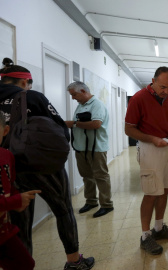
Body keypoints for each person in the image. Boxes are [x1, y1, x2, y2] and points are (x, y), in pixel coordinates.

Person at [0, 58, 94, 269]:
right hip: (43, 166)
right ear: (24, 82)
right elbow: (59, 128)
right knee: (63, 211)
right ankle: (74, 261)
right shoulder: (31, 97)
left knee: (20, 223)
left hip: (8, 171)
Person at [125, 66, 168, 255]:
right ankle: (145, 236)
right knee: (151, 192)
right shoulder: (138, 98)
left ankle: (159, 228)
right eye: (163, 87)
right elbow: (129, 129)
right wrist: (153, 139)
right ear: (153, 80)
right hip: (150, 148)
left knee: (164, 189)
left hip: (167, 146)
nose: (166, 92)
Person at [65, 81, 113, 218]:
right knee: (87, 176)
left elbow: (96, 124)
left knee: (101, 176)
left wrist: (73, 124)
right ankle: (91, 201)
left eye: (74, 94)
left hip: (96, 148)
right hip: (81, 147)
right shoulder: (80, 106)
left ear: (83, 91)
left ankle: (107, 204)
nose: (73, 98)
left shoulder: (96, 105)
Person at [0, 112, 39, 270]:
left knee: (25, 264)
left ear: (5, 131)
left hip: (4, 230)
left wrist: (18, 199)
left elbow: (10, 186)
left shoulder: (7, 156)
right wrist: (16, 201)